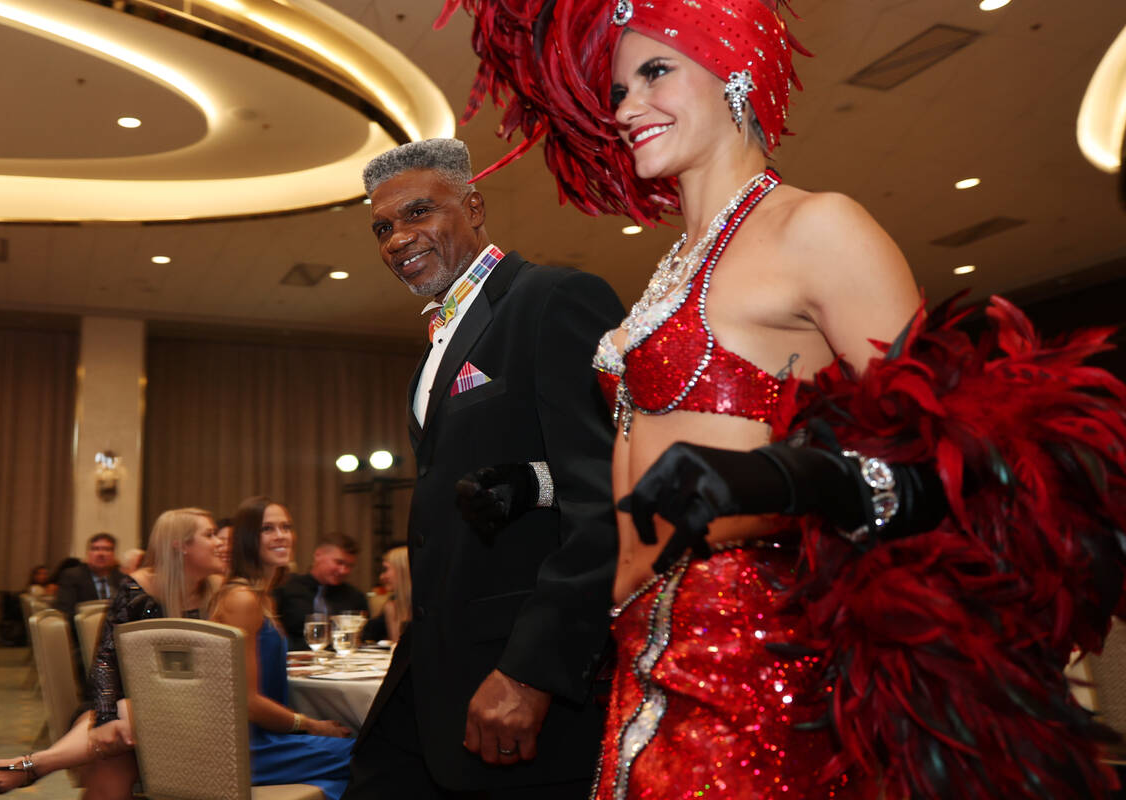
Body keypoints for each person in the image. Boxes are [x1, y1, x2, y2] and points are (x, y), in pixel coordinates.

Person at [440, 1, 1126, 798]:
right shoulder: (668, 272)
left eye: (655, 72)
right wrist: (541, 483)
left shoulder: (816, 228)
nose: (627, 107)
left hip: (765, 679)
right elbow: (667, 458)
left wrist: (782, 482)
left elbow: (943, 464)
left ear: (735, 66)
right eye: (618, 89)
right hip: (637, 673)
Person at [342, 138, 623, 800]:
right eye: (383, 227)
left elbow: (605, 497)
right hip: (435, 671)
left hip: (518, 680)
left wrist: (533, 672)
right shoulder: (435, 348)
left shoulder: (552, 300)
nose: (397, 239)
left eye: (417, 213)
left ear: (473, 205)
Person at [0, 508, 225, 796]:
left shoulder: (220, 591)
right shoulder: (139, 589)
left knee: (124, 728)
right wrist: (105, 718)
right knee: (118, 741)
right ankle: (49, 758)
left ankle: (39, 763)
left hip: (194, 711)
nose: (219, 542)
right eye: (209, 535)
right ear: (179, 545)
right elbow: (107, 660)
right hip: (127, 704)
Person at [212, 495, 353, 798]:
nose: (281, 535)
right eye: (268, 529)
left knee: (367, 756)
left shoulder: (263, 596)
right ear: (249, 539)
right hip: (247, 746)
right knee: (370, 754)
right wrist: (313, 726)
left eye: (286, 527)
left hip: (265, 737)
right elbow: (246, 701)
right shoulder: (242, 599)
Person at [273, 534, 367, 651]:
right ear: (318, 555)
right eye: (339, 562)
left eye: (350, 566)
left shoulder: (355, 597)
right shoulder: (285, 589)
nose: (344, 570)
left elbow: (363, 639)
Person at [55, 533, 126, 616]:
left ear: (114, 554)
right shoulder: (72, 576)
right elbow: (65, 612)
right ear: (87, 553)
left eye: (107, 549)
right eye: (95, 549)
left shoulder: (122, 579)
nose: (101, 554)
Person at [363, 547, 410, 644]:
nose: (382, 577)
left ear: (403, 570)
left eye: (386, 569)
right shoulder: (391, 607)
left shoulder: (432, 609)